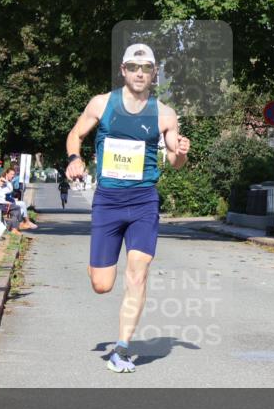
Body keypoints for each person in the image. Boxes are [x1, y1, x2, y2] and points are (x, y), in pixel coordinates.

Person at [65, 43, 190, 373]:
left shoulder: (165, 114)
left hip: (144, 201)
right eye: (133, 67)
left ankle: (121, 349)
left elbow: (176, 162)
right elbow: (74, 135)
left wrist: (181, 151)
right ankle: (101, 265)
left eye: (145, 68)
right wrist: (74, 159)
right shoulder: (102, 104)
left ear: (153, 74)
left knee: (138, 274)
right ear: (123, 70)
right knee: (102, 284)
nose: (139, 73)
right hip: (108, 200)